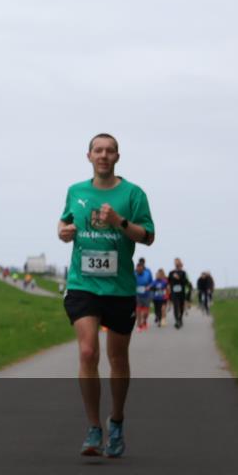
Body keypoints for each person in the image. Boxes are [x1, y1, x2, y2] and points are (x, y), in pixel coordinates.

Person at [57, 133, 155, 458]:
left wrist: (119, 221)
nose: (103, 155)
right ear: (88, 156)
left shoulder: (134, 193)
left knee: (117, 358)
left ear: (117, 157)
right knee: (87, 352)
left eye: (109, 151)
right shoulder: (76, 191)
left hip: (119, 288)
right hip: (83, 284)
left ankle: (116, 420)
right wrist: (63, 231)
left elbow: (148, 236)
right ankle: (93, 428)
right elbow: (64, 223)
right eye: (98, 150)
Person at [168, 259, 191, 328]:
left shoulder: (183, 273)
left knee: (181, 306)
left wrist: (179, 278)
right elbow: (169, 281)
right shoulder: (171, 272)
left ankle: (180, 318)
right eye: (177, 265)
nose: (178, 266)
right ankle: (177, 320)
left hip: (181, 292)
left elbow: (185, 282)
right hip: (174, 292)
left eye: (179, 265)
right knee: (175, 306)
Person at [134, 259, 153, 332]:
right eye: (137, 269)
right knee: (138, 310)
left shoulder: (147, 273)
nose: (138, 270)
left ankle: (144, 321)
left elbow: (152, 282)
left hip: (146, 294)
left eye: (140, 269)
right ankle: (139, 324)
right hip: (137, 294)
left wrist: (149, 287)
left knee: (146, 312)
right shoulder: (134, 273)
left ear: (143, 268)